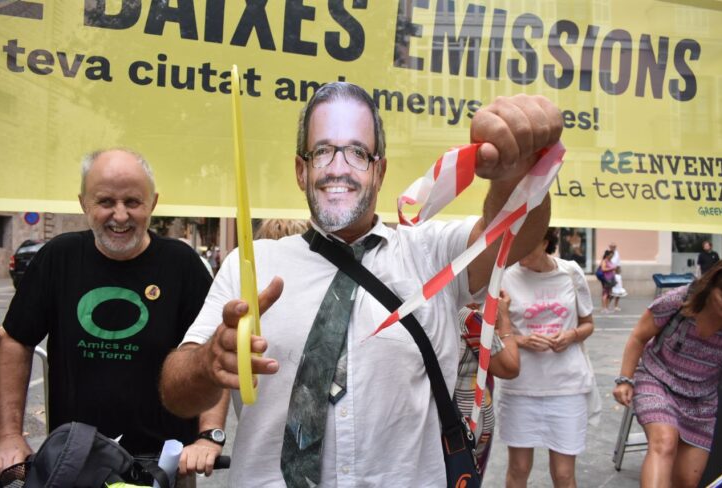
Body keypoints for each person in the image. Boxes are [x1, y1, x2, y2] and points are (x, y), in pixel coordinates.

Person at [159, 83, 563, 486]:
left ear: (379, 171)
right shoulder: (250, 265)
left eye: (357, 153)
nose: (338, 168)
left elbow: (513, 234)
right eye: (322, 152)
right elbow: (176, 394)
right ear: (301, 170)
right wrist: (207, 363)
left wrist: (517, 175)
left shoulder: (430, 253)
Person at [0, 149, 225, 486]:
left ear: (153, 203)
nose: (120, 215)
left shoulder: (182, 264)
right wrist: (9, 436)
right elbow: (16, 340)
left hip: (163, 467)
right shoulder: (59, 257)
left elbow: (215, 352)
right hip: (73, 462)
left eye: (133, 202)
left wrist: (209, 436)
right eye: (105, 201)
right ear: (83, 203)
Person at [613, 257, 722, 488]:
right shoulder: (679, 300)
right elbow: (638, 336)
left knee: (686, 480)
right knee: (664, 442)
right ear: (711, 286)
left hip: (702, 399)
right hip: (658, 380)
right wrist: (625, 380)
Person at [498, 227, 597, 488]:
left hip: (567, 386)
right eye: (515, 245)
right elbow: (492, 333)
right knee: (518, 468)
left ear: (545, 242)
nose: (519, 253)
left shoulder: (571, 273)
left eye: (526, 245)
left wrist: (571, 335)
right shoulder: (504, 277)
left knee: (564, 473)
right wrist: (521, 340)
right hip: (521, 386)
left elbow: (588, 324)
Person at [455, 293, 519, 476]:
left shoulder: (433, 310)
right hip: (468, 422)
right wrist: (504, 319)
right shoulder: (468, 319)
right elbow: (510, 367)